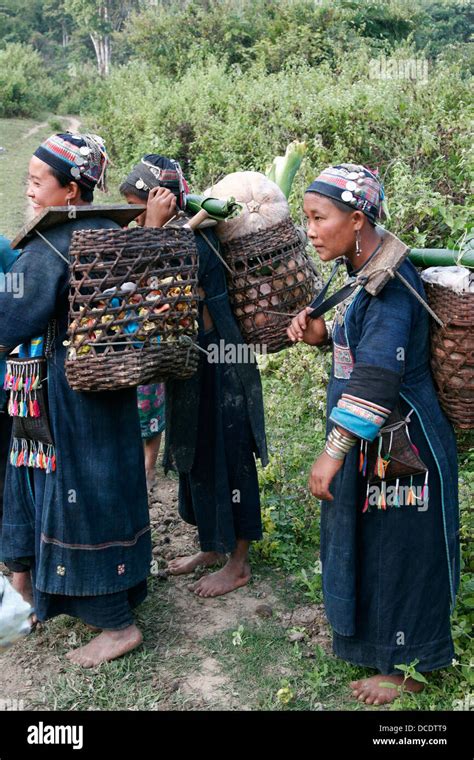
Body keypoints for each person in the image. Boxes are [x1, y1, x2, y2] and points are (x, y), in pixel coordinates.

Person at [287, 163, 459, 705]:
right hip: (379, 442)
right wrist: (322, 336)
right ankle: (378, 644)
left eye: (319, 218)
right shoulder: (365, 271)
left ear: (357, 219)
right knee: (380, 543)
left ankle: (410, 666)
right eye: (306, 218)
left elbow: (380, 374)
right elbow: (357, 347)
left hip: (406, 447)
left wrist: (332, 453)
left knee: (404, 550)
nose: (310, 230)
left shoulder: (394, 284)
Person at [0, 133, 151, 667]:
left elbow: (10, 318)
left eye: (37, 182)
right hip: (108, 387)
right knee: (100, 484)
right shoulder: (111, 230)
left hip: (64, 394)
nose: (29, 190)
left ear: (69, 189)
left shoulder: (53, 244)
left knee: (77, 493)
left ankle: (116, 626)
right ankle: (33, 590)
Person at [120, 155, 268, 597]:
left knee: (230, 451)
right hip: (190, 360)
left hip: (221, 360)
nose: (133, 216)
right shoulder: (173, 231)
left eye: (137, 205)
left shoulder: (194, 237)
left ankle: (238, 561)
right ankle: (211, 543)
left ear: (160, 198)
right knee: (196, 448)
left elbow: (151, 275)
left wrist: (154, 227)